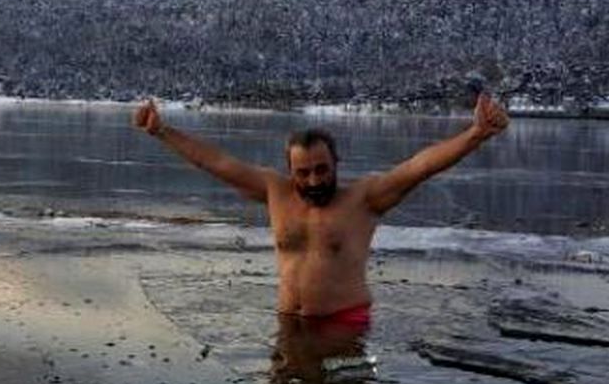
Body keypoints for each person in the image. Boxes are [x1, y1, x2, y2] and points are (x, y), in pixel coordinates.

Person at [132, 94, 509, 326]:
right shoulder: (274, 191)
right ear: (289, 170)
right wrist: (161, 131)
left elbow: (420, 166)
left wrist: (475, 134)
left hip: (343, 324)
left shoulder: (365, 199)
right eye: (303, 172)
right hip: (289, 324)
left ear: (336, 164)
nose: (313, 180)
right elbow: (215, 162)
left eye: (321, 170)